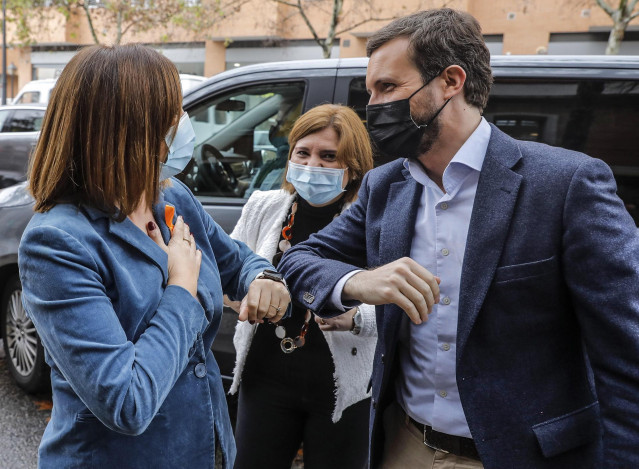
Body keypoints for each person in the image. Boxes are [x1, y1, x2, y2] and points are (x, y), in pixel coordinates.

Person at [278, 8, 639, 469]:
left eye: (388, 87)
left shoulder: (566, 185)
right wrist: (355, 282)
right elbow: (303, 258)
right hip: (404, 445)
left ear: (451, 81)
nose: (371, 106)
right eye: (370, 90)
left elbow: (626, 357)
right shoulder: (384, 186)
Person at [18, 44, 290, 469]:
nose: (183, 124)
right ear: (130, 129)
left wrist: (264, 279)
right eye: (173, 113)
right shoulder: (58, 242)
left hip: (205, 448)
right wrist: (181, 287)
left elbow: (236, 260)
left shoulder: (169, 194)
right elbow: (127, 401)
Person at [228, 104, 376, 469]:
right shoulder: (264, 206)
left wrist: (356, 318)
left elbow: (395, 301)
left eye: (329, 157)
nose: (313, 165)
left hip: (341, 389)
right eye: (303, 153)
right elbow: (228, 270)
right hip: (264, 380)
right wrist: (243, 298)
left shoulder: (373, 221)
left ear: (353, 167)